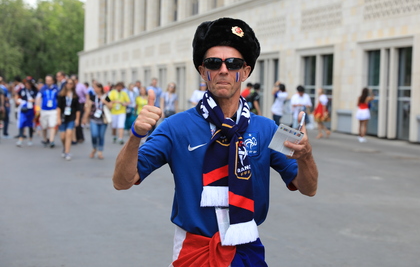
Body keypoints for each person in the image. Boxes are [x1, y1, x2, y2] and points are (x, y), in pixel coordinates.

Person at [113, 17, 318, 266]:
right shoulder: (175, 126)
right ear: (203, 71)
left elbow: (308, 188)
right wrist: (135, 136)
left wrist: (306, 156)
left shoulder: (268, 128)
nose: (223, 69)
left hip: (247, 251)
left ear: (245, 71)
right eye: (213, 62)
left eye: (233, 63)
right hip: (194, 251)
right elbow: (122, 182)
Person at [82, 82, 112, 159]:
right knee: (94, 135)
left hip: (103, 119)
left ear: (100, 88)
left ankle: (100, 151)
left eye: (95, 87)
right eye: (93, 88)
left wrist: (104, 102)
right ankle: (94, 148)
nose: (94, 89)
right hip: (93, 119)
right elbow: (88, 109)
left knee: (101, 136)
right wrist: (84, 118)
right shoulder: (92, 97)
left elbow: (111, 107)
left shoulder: (106, 97)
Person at [56, 78, 80, 161]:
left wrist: (77, 119)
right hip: (63, 117)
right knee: (63, 136)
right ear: (65, 84)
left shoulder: (75, 96)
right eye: (68, 83)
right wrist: (58, 118)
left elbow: (78, 109)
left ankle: (67, 152)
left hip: (71, 117)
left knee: (69, 134)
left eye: (71, 83)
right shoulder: (61, 95)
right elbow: (58, 108)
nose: (69, 85)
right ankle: (64, 147)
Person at [36, 75, 59, 148]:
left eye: (49, 80)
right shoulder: (43, 88)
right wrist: (37, 108)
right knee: (44, 126)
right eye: (47, 80)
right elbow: (38, 98)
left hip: (53, 110)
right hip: (44, 109)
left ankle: (52, 140)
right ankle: (45, 139)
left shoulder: (56, 88)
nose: (48, 82)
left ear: (52, 81)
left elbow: (59, 98)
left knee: (52, 125)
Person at [15, 79, 37, 147]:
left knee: (30, 124)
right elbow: (17, 95)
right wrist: (17, 101)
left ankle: (30, 139)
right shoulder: (23, 90)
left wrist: (33, 100)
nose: (27, 85)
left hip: (31, 109)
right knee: (21, 123)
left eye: (28, 84)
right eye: (26, 84)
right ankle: (20, 139)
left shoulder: (34, 91)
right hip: (23, 108)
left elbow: (38, 98)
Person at [72, 74, 88, 143]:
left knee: (78, 120)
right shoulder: (71, 86)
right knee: (73, 120)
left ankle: (80, 136)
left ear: (76, 80)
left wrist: (86, 104)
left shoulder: (81, 86)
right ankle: (74, 137)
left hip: (80, 104)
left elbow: (87, 95)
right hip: (72, 105)